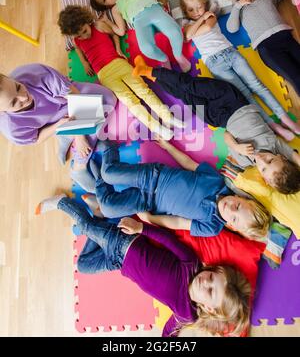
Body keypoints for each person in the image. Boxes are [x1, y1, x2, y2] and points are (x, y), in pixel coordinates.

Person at [35, 193, 251, 337]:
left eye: (211, 291)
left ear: (209, 308)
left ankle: (101, 216)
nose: (206, 282)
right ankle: (62, 202)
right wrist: (141, 228)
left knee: (83, 265)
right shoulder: (191, 264)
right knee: (84, 225)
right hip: (125, 243)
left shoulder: (187, 314)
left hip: (119, 264)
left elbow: (170, 330)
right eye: (212, 277)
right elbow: (169, 240)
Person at [132, 59, 300, 194]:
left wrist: (236, 146)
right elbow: (296, 158)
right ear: (281, 157)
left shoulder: (244, 159)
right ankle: (148, 70)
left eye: (263, 168)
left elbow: (226, 135)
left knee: (185, 96)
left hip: (217, 119)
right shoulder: (276, 146)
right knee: (190, 85)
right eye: (270, 160)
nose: (263, 159)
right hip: (232, 100)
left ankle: (154, 77)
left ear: (263, 178)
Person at [179, 0, 300, 141]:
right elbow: (188, 35)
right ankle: (273, 126)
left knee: (257, 85)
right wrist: (201, 19)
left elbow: (208, 27)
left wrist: (203, 20)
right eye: (191, 10)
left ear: (205, 4)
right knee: (245, 95)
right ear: (185, 11)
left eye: (199, 7)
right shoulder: (188, 24)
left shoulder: (211, 16)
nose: (196, 12)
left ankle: (285, 119)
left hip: (231, 53)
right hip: (214, 63)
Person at [89, 141, 271, 240]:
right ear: (242, 198)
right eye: (238, 206)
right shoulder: (217, 182)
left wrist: (151, 219)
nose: (230, 209)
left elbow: (177, 222)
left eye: (233, 218)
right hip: (153, 176)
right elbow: (188, 164)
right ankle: (109, 146)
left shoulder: (212, 226)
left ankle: (96, 177)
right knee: (109, 174)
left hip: (148, 202)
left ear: (232, 226)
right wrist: (169, 146)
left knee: (107, 208)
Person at [58, 6, 185, 140]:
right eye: (80, 35)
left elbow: (113, 34)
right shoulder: (76, 40)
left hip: (118, 63)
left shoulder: (99, 26)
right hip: (103, 74)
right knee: (130, 101)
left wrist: (118, 50)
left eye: (84, 31)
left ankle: (167, 117)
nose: (85, 36)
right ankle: (156, 128)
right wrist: (84, 63)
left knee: (143, 90)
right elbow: (77, 48)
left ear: (86, 21)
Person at [0, 63, 116, 191]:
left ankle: (67, 136)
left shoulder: (36, 74)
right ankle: (78, 166)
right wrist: (59, 125)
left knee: (109, 99)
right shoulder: (11, 128)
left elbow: (75, 95)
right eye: (14, 102)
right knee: (92, 129)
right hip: (54, 121)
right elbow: (36, 138)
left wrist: (79, 135)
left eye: (17, 87)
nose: (23, 96)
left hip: (69, 99)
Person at [223, 0, 300, 97]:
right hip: (267, 49)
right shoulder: (240, 9)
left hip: (286, 38)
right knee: (296, 77)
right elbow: (231, 28)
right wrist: (237, 7)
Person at [89, 0, 191, 72]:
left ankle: (178, 56)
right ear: (107, 5)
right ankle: (163, 59)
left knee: (175, 32)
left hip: (154, 10)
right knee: (146, 49)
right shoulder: (115, 9)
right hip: (140, 22)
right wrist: (108, 21)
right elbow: (121, 31)